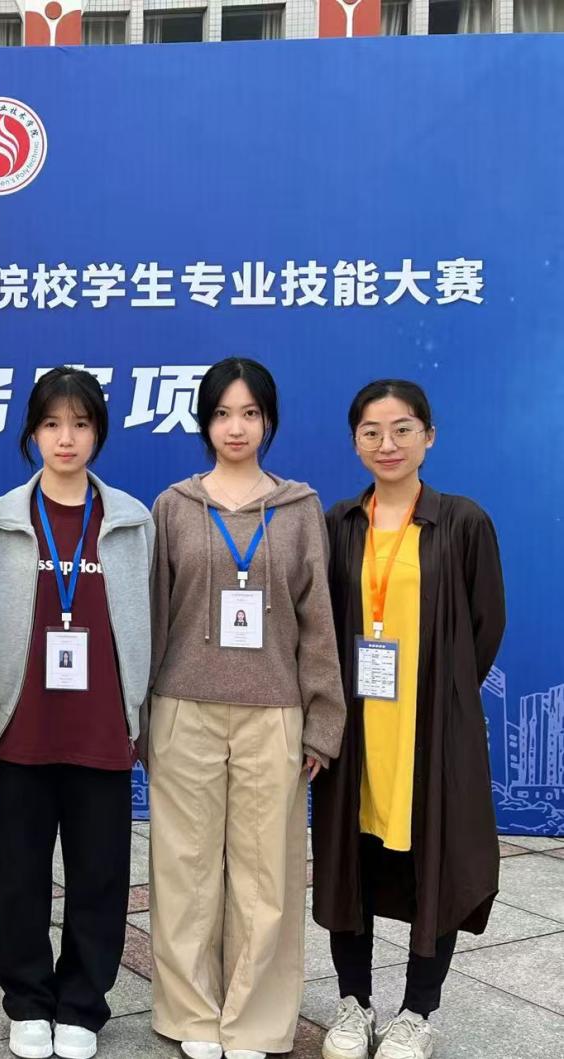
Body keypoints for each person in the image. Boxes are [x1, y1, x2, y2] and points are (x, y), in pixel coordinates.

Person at [147, 357, 345, 1059]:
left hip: (273, 712)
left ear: (269, 421)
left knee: (267, 874)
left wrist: (323, 721)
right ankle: (192, 1014)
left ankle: (254, 1020)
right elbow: (152, 618)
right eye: (223, 414)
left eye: (250, 413)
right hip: (183, 707)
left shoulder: (298, 509)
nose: (236, 427)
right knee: (185, 869)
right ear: (205, 422)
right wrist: (139, 717)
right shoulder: (174, 506)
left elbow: (318, 620)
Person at [314, 380, 505, 1059]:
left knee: (437, 864)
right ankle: (354, 1003)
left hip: (430, 731)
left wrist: (444, 699)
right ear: (355, 442)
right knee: (349, 863)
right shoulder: (339, 524)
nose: (387, 443)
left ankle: (417, 1011)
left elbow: (485, 626)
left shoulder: (462, 522)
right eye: (371, 431)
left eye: (402, 429)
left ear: (429, 436)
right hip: (355, 730)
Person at [0, 368, 154, 1059]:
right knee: (17, 876)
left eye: (81, 424)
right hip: (21, 727)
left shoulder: (131, 521)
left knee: (100, 876)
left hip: (101, 729)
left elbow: (150, 623)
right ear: (32, 432)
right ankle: (28, 999)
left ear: (98, 434)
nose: (66, 438)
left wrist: (139, 714)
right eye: (52, 424)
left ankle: (83, 1002)